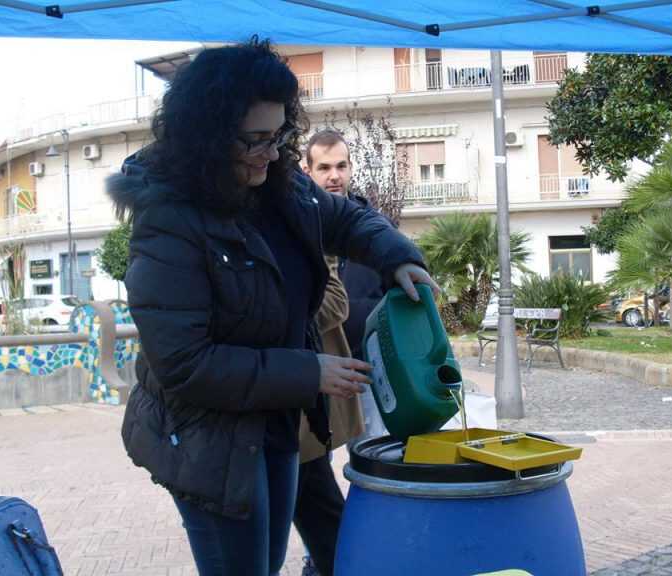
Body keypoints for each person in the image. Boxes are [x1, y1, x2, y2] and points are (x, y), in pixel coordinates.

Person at [106, 40, 437, 576]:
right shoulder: (168, 219)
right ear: (208, 139)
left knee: (269, 561)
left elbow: (348, 220)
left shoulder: (283, 185)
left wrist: (398, 259)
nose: (271, 151)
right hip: (209, 443)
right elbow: (184, 363)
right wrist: (309, 371)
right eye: (254, 140)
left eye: (281, 134)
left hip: (279, 421)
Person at [294, 130, 390, 576]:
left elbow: (394, 298)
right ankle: (330, 558)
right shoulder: (296, 228)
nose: (334, 176)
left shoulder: (372, 229)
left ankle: (361, 550)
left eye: (341, 166)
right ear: (307, 170)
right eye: (324, 168)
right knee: (316, 475)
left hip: (370, 377)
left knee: (371, 471)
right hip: (312, 381)